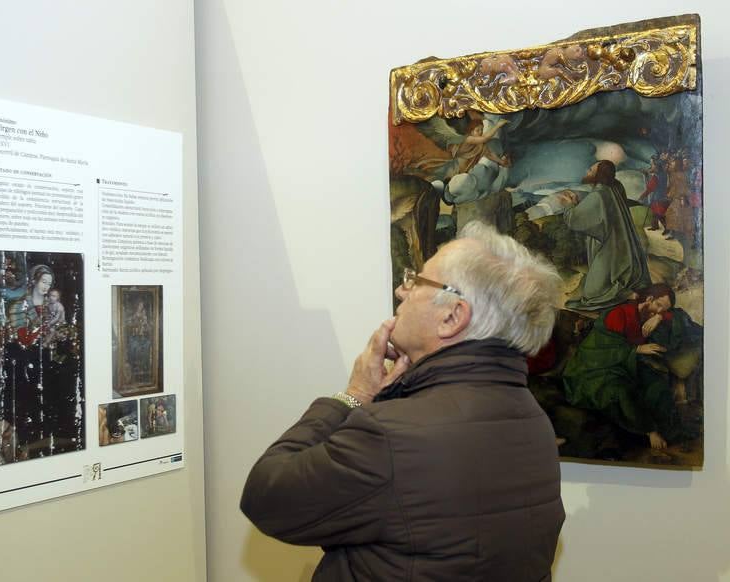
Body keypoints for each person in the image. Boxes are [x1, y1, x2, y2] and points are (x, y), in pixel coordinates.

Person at [241, 222, 565, 581]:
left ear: (452, 316)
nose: (401, 290)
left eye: (417, 282)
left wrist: (355, 395)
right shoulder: (531, 419)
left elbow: (266, 497)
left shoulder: (390, 435)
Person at [562, 284, 699, 451]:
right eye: (659, 306)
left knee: (656, 385)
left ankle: (673, 433)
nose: (659, 311)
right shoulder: (619, 314)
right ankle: (649, 431)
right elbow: (599, 350)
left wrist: (660, 317)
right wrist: (636, 349)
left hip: (627, 365)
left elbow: (679, 316)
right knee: (621, 391)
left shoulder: (651, 316)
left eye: (662, 310)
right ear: (649, 299)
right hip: (594, 369)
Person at [561, 159, 651, 311]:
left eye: (590, 170)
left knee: (592, 293)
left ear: (598, 175)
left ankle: (623, 294)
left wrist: (569, 205)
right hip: (620, 245)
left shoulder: (598, 195)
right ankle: (625, 289)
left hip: (609, 248)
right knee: (593, 282)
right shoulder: (615, 186)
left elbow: (574, 219)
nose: (587, 172)